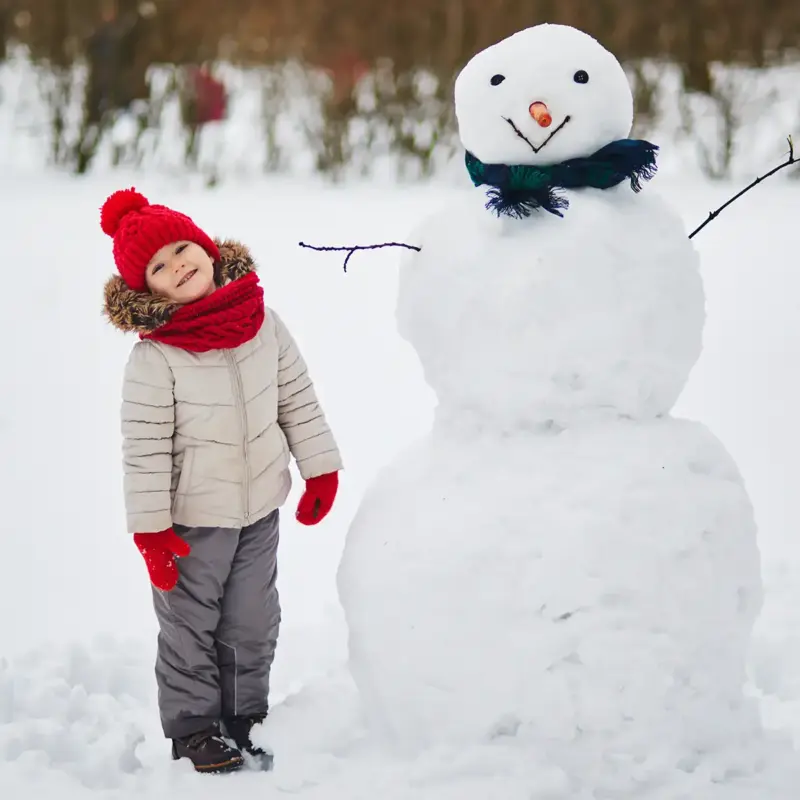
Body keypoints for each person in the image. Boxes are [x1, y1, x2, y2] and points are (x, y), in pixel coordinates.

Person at [100, 188, 343, 773]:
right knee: (190, 626)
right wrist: (152, 533)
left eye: (183, 248)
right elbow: (146, 451)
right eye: (158, 266)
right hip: (190, 522)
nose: (178, 264)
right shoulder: (156, 358)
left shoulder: (262, 322)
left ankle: (244, 716)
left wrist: (320, 466)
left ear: (207, 248)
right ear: (146, 290)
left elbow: (296, 400)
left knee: (254, 618)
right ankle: (192, 729)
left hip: (259, 508)